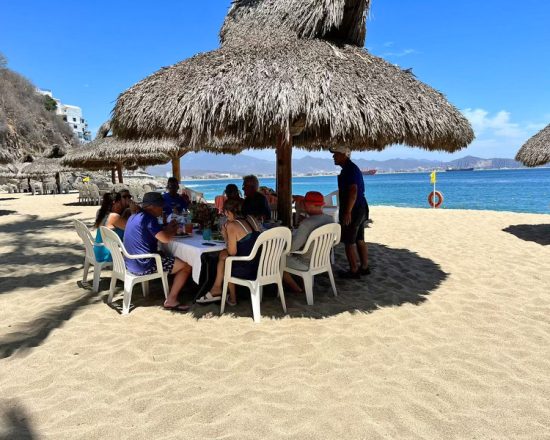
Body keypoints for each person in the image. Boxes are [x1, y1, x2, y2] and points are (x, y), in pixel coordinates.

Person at [124, 192, 193, 312]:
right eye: (161, 206)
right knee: (186, 266)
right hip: (144, 265)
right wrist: (173, 230)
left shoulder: (134, 216)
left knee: (167, 255)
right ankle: (171, 299)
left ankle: (174, 287)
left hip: (129, 263)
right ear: (152, 206)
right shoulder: (149, 219)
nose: (162, 209)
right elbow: (165, 239)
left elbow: (155, 233)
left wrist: (168, 229)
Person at [196, 198, 261, 306]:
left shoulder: (232, 225)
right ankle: (218, 290)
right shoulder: (251, 219)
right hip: (260, 264)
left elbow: (232, 252)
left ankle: (225, 294)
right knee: (223, 255)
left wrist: (225, 236)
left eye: (225, 213)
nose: (225, 215)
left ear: (228, 212)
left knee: (225, 258)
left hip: (247, 268)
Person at [283, 191, 334, 292]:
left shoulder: (307, 224)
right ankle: (301, 283)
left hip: (306, 262)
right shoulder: (330, 220)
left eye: (304, 203)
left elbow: (293, 247)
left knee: (273, 259)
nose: (302, 205)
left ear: (309, 205)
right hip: (322, 260)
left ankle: (296, 289)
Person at [331, 146, 370, 278]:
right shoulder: (351, 168)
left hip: (354, 209)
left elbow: (353, 191)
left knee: (348, 241)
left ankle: (354, 270)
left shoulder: (349, 170)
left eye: (336, 154)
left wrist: (347, 212)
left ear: (344, 155)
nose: (333, 157)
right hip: (361, 206)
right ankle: (364, 267)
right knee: (359, 239)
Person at [93, 190, 132, 262]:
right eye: (120, 203)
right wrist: (134, 211)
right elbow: (132, 229)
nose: (121, 205)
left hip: (99, 252)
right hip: (108, 255)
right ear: (115, 203)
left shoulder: (103, 213)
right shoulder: (114, 216)